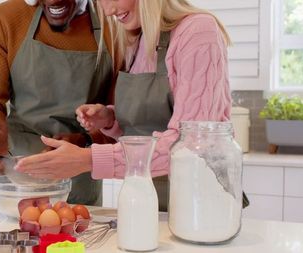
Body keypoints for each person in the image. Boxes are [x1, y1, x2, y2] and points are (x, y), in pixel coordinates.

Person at [15, 0, 232, 211]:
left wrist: (88, 159)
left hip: (197, 205)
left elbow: (190, 143)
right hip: (146, 200)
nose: (107, 10)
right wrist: (111, 119)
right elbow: (150, 124)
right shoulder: (138, 39)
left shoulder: (198, 31)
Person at [0, 0, 117, 205]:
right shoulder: (6, 18)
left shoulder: (113, 21)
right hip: (14, 178)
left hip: (77, 183)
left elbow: (117, 116)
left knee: (73, 235)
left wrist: (85, 140)